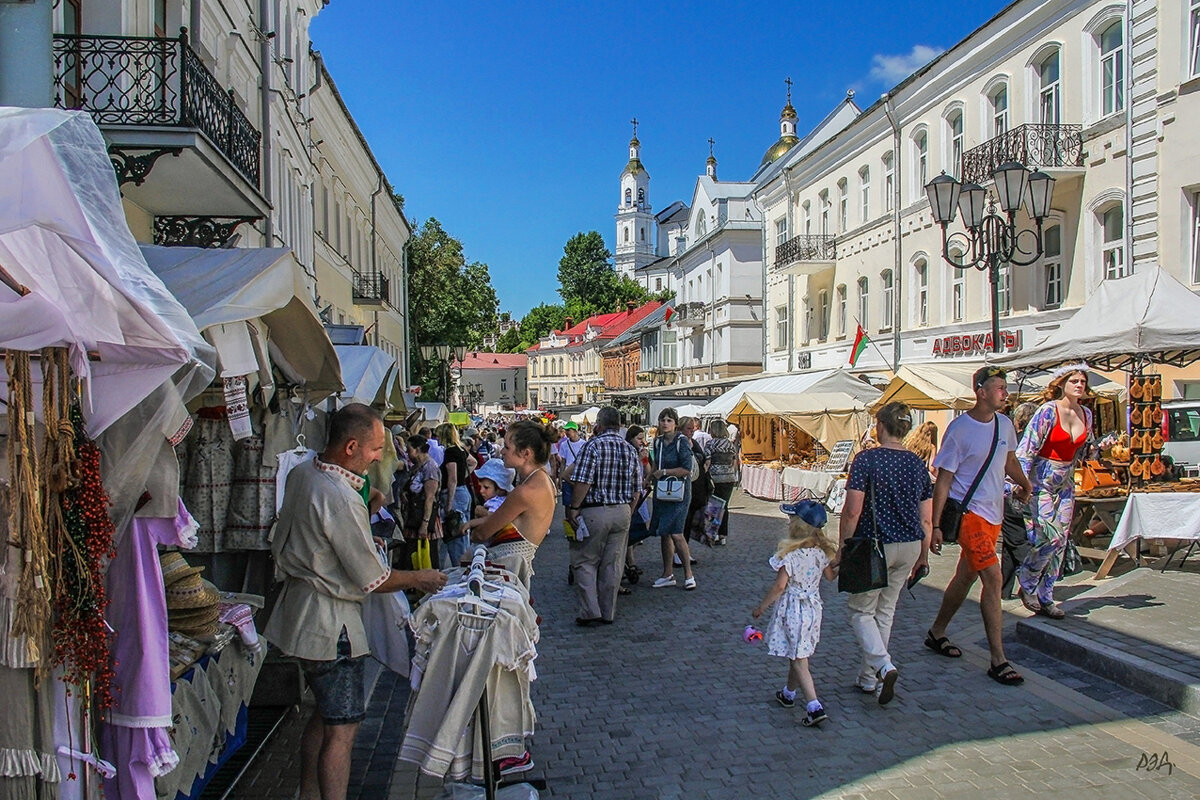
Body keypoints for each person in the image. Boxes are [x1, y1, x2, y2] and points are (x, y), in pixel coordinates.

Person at [265, 404, 446, 800]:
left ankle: (309, 794)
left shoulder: (302, 474)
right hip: (330, 625)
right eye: (376, 448)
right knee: (342, 730)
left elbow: (321, 542)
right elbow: (373, 578)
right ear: (350, 447)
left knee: (324, 715)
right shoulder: (339, 496)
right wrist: (424, 577)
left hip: (300, 614)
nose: (380, 456)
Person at [925, 366, 1032, 686]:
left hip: (994, 514)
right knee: (993, 576)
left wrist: (1024, 484)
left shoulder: (1005, 425)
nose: (1005, 392)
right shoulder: (959, 429)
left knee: (965, 576)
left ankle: (937, 631)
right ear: (981, 392)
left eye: (1005, 387)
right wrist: (936, 526)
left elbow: (1008, 460)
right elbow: (943, 481)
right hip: (970, 515)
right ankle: (998, 659)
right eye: (999, 387)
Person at [837, 402, 932, 705]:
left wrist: (843, 547)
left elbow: (852, 511)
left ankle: (882, 664)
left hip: (874, 544)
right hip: (910, 543)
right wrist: (924, 555)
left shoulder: (867, 460)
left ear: (881, 426)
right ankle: (869, 678)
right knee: (885, 611)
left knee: (861, 610)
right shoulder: (917, 464)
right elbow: (927, 518)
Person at [1014, 365, 1100, 618]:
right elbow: (1027, 448)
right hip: (1041, 480)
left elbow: (1085, 450)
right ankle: (1027, 580)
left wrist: (1101, 447)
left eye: (1083, 381)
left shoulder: (1086, 413)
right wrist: (1020, 483)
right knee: (1049, 537)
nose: (1079, 385)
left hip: (1066, 481)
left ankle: (1047, 595)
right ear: (1061, 384)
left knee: (1061, 540)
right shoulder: (1048, 411)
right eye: (1073, 380)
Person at [751, 500, 838, 727]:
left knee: (800, 660)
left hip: (793, 610)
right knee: (797, 653)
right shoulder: (820, 553)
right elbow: (830, 577)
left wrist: (762, 607)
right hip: (813, 610)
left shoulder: (789, 556)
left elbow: (779, 587)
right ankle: (788, 693)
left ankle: (814, 706)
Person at [564, 407, 641, 625]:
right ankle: (608, 612)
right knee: (613, 564)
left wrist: (574, 507)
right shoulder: (629, 449)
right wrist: (629, 510)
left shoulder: (593, 446)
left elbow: (584, 481)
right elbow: (637, 489)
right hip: (622, 510)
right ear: (618, 425)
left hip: (595, 510)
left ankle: (590, 610)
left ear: (599, 423)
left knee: (585, 561)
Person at [464, 420, 557, 585]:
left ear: (525, 454)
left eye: (507, 447)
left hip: (503, 571)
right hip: (514, 568)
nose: (503, 452)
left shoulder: (525, 491)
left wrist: (474, 528)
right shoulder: (544, 480)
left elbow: (483, 533)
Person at [649, 408, 697, 589]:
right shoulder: (658, 442)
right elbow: (656, 463)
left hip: (679, 492)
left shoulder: (681, 442)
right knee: (664, 532)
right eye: (662, 420)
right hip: (662, 491)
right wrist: (648, 479)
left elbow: (687, 469)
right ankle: (667, 573)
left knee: (676, 532)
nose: (665, 423)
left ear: (675, 424)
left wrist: (666, 472)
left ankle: (688, 575)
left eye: (669, 420)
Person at [1001, 402, 1038, 599]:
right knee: (1011, 542)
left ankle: (1032, 584)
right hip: (1022, 494)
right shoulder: (1033, 440)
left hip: (1014, 493)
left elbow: (1013, 466)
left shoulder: (1020, 440)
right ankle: (1004, 589)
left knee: (1017, 542)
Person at [435, 422, 476, 569]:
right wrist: (463, 476)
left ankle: (460, 568)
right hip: (463, 491)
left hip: (454, 493)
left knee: (455, 533)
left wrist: (449, 503)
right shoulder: (461, 450)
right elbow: (473, 462)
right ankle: (466, 565)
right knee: (463, 531)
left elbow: (451, 478)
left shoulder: (450, 452)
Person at [403, 435, 442, 559]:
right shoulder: (416, 466)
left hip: (424, 519)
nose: (407, 452)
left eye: (409, 449)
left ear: (418, 449)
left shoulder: (430, 468)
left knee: (424, 557)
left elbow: (430, 498)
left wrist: (424, 525)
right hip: (413, 518)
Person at [704, 419, 739, 546]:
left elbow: (707, 463)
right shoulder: (730, 444)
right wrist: (732, 473)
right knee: (724, 506)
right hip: (729, 478)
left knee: (714, 506)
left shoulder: (710, 444)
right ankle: (723, 535)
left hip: (715, 478)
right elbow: (734, 462)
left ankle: (713, 533)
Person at [681, 416, 712, 549]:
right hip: (686, 487)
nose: (692, 431)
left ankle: (685, 549)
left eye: (693, 429)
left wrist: (705, 465)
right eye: (688, 429)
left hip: (699, 487)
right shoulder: (680, 443)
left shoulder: (694, 442)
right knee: (685, 520)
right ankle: (680, 551)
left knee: (693, 518)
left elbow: (704, 457)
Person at [556, 421, 586, 508]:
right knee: (568, 503)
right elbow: (563, 462)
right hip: (567, 476)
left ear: (575, 431)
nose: (567, 432)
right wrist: (561, 477)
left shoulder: (584, 444)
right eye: (566, 430)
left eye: (569, 430)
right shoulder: (564, 445)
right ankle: (568, 520)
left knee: (579, 502)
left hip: (579, 475)